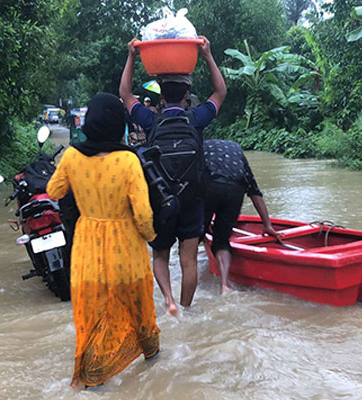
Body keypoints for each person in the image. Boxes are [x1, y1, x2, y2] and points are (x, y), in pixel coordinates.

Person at [46, 93, 160, 388]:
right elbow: (143, 213)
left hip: (87, 248)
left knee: (93, 309)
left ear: (90, 123)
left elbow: (54, 190)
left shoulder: (71, 156)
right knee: (138, 303)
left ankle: (94, 376)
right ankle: (151, 355)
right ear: (119, 125)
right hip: (127, 248)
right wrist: (151, 237)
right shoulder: (129, 160)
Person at [119, 36, 227, 315]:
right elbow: (220, 93)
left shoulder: (150, 120)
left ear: (162, 98)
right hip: (193, 199)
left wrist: (131, 57)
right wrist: (207, 54)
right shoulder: (197, 119)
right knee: (188, 259)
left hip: (161, 199)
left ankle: (168, 300)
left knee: (160, 255)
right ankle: (186, 308)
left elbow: (125, 95)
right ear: (187, 98)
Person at [203, 139, 280, 294]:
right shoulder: (236, 150)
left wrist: (200, 227)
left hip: (209, 185)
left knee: (193, 236)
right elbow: (253, 190)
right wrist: (267, 224)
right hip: (235, 188)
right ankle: (225, 285)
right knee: (222, 240)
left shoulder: (201, 147)